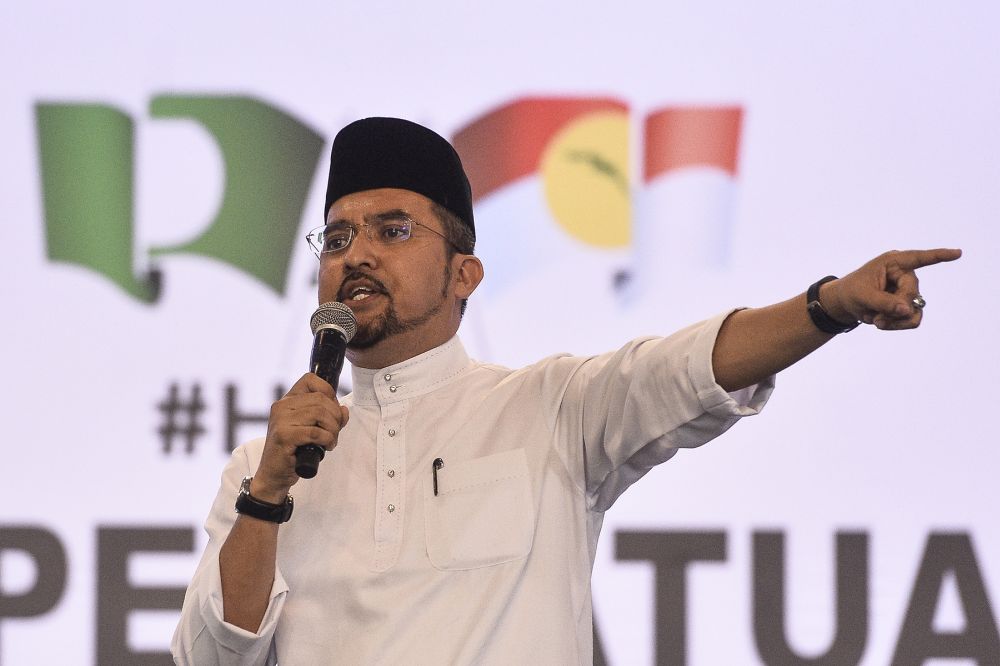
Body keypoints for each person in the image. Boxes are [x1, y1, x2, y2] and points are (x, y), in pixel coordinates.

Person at [171, 117, 961, 664]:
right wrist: (267, 497)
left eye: (393, 228)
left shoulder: (549, 410)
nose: (357, 255)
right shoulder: (264, 470)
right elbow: (210, 659)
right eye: (338, 237)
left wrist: (828, 305)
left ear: (464, 274)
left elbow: (687, 368)